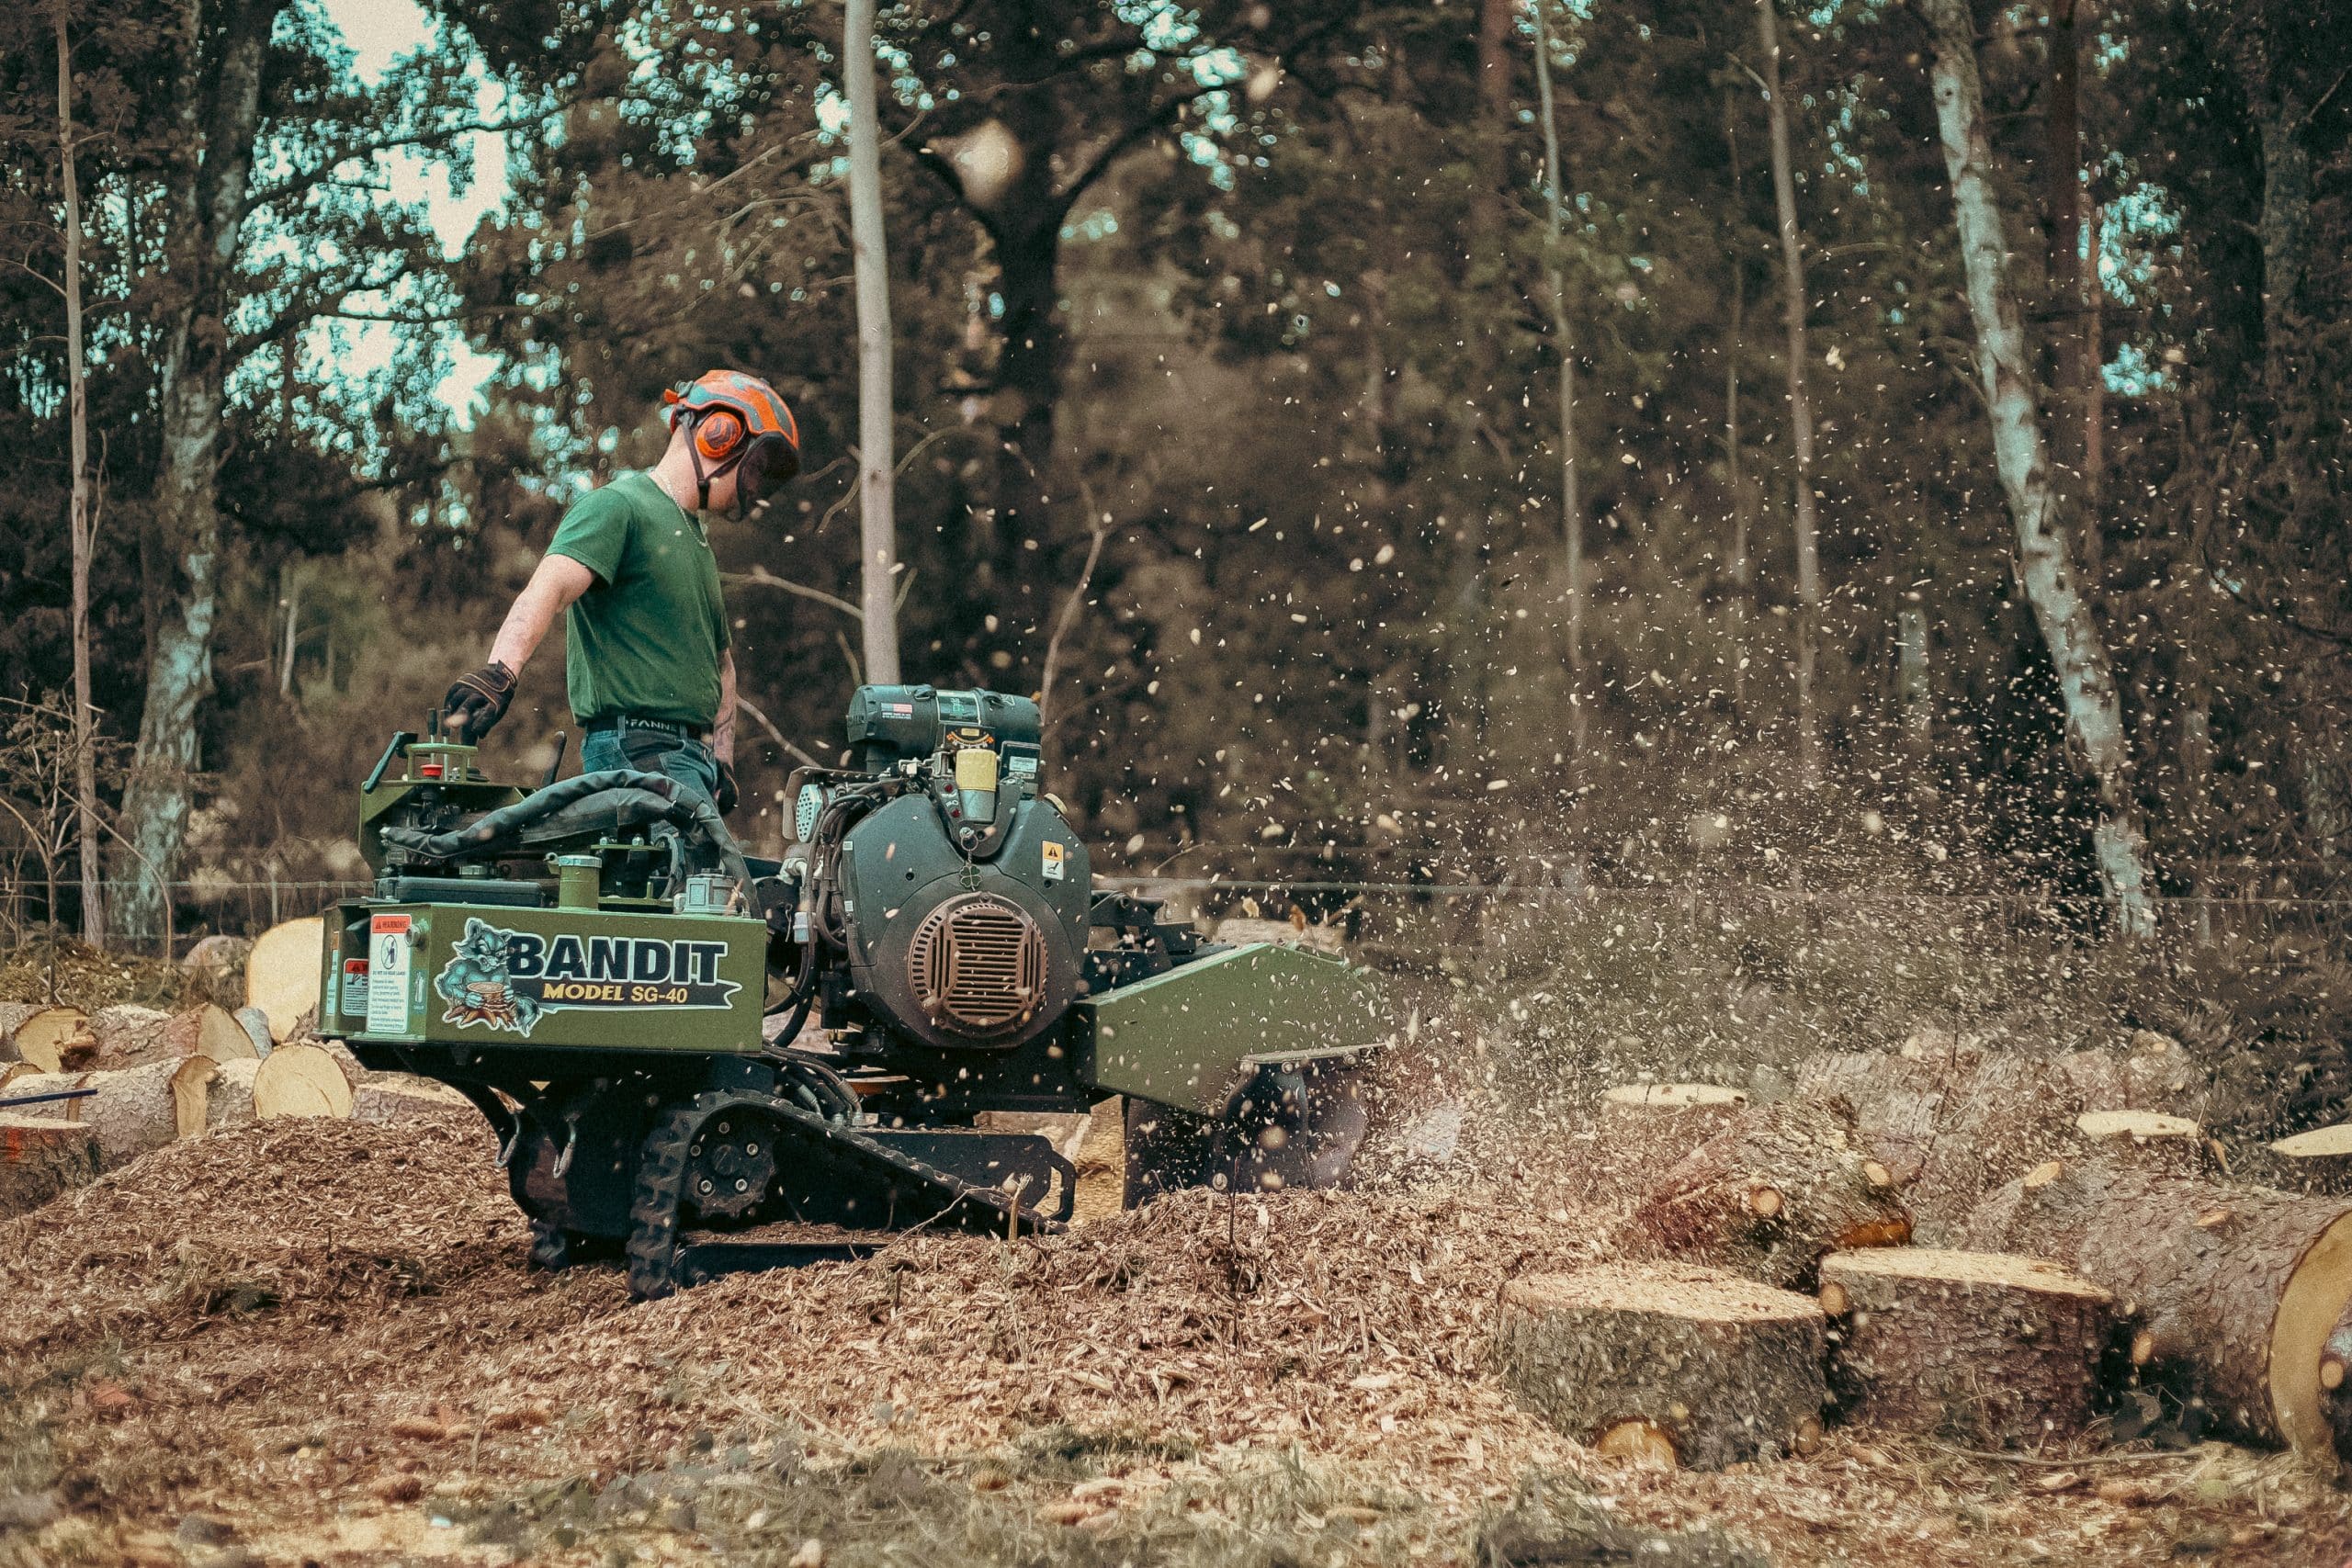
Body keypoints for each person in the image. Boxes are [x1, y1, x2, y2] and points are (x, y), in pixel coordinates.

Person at [440, 370, 800, 816]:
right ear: (718, 434)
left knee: (714, 883)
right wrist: (500, 672)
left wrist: (721, 761)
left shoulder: (696, 542)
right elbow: (549, 586)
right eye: (757, 466)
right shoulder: (619, 506)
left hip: (689, 759)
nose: (756, 485)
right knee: (703, 883)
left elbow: (721, 664)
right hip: (636, 748)